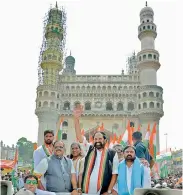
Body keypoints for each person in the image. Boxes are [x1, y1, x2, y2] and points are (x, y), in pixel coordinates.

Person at [73, 104, 118, 195]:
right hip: (86, 190)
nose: (97, 141)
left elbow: (114, 174)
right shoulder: (89, 149)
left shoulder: (112, 153)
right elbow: (79, 137)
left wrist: (109, 191)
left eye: (100, 139)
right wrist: (76, 119)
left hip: (102, 191)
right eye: (96, 139)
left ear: (105, 140)